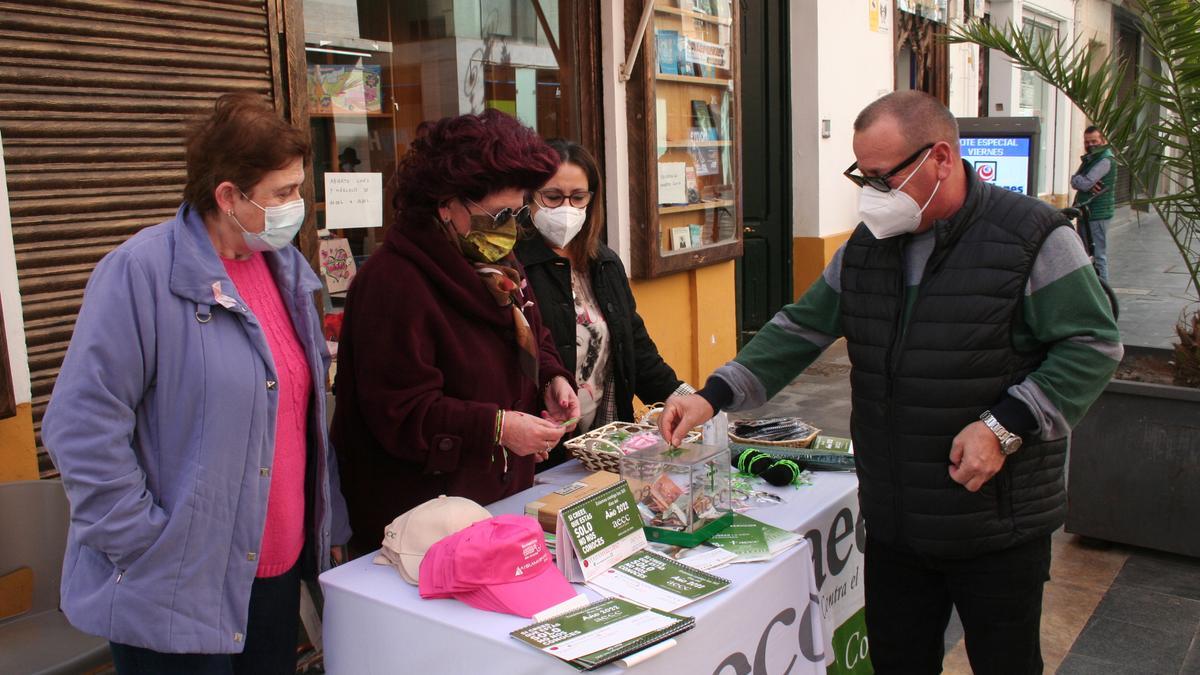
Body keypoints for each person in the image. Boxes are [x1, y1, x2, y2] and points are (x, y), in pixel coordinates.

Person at [660, 91, 1122, 674]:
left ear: (942, 159)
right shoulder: (867, 247)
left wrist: (1005, 426)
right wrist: (711, 397)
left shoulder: (1032, 236)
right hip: (895, 520)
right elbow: (799, 330)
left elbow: (1093, 345)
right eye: (862, 175)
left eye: (884, 177)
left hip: (995, 524)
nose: (871, 193)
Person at [42, 93, 351, 674]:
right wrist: (145, 543)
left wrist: (326, 518)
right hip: (177, 585)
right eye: (282, 193)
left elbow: (302, 416)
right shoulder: (141, 273)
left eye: (299, 189)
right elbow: (80, 427)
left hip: (277, 572)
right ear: (228, 195)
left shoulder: (285, 272)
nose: (298, 206)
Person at [332, 110, 581, 554]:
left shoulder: (499, 267)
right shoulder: (393, 282)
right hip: (420, 528)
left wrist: (552, 379)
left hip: (497, 505)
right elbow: (401, 412)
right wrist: (499, 428)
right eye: (499, 213)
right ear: (446, 205)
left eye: (518, 211)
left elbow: (532, 337)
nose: (509, 228)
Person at [515, 139, 691, 468]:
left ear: (591, 200)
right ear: (529, 196)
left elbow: (634, 346)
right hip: (540, 446)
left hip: (602, 442)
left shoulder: (604, 263)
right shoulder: (514, 266)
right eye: (552, 197)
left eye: (577, 197)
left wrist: (687, 399)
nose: (565, 208)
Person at [1070, 125, 1118, 281]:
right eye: (1087, 142)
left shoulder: (1105, 160)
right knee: (1084, 254)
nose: (1090, 145)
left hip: (1098, 214)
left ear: (1103, 140)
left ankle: (1103, 293)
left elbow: (1083, 184)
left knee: (1098, 256)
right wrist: (1080, 181)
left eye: (1094, 141)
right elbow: (1076, 180)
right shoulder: (1091, 159)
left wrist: (1081, 181)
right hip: (1086, 212)